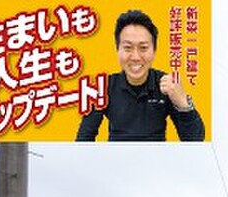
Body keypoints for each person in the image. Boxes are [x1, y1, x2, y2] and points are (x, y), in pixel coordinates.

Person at [75, 9, 205, 142]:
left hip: (157, 155)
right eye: (128, 48)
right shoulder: (103, 87)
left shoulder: (166, 85)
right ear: (118, 50)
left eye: (143, 48)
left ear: (154, 50)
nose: (136, 57)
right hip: (117, 155)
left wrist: (182, 103)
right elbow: (83, 140)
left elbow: (196, 141)